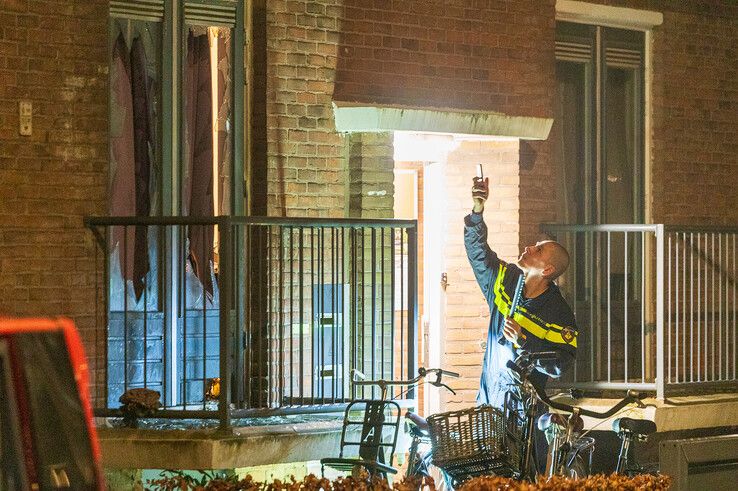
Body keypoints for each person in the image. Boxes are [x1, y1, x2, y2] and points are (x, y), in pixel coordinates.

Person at [464, 175, 578, 410]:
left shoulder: (558, 313)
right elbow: (477, 251)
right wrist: (477, 210)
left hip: (523, 413)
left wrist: (523, 339)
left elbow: (559, 364)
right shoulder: (505, 279)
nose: (529, 247)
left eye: (538, 250)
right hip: (488, 402)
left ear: (547, 270)